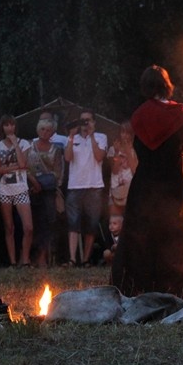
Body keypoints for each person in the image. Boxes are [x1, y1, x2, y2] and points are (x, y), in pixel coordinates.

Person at [111, 65, 183, 300]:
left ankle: (135, 287)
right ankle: (176, 288)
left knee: (139, 233)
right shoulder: (182, 116)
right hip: (171, 184)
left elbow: (138, 146)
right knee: (173, 234)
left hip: (145, 184)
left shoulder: (139, 114)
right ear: (166, 85)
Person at [64, 108, 107, 266]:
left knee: (92, 223)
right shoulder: (72, 138)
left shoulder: (101, 137)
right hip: (75, 186)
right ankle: (72, 259)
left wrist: (92, 135)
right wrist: (70, 136)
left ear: (94, 122)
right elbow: (67, 158)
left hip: (94, 186)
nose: (85, 123)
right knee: (73, 222)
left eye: (88, 120)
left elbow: (99, 156)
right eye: (82, 120)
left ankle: (86, 259)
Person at [0, 114, 33, 267]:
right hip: (4, 190)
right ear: (2, 127)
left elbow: (24, 164)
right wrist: (16, 167)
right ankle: (12, 261)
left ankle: (25, 259)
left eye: (12, 125)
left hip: (21, 188)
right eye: (6, 125)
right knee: (9, 227)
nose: (9, 128)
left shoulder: (23, 144)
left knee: (28, 227)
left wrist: (16, 144)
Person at [27, 117, 64, 267]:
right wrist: (34, 182)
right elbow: (25, 166)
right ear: (38, 130)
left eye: (48, 130)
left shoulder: (56, 149)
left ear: (53, 132)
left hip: (48, 191)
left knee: (48, 223)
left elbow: (59, 172)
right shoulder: (29, 146)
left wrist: (45, 182)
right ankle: (30, 257)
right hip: (31, 189)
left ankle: (44, 257)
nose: (45, 132)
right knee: (33, 223)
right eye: (42, 129)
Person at [108, 120, 138, 217]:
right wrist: (117, 153)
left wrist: (129, 152)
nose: (124, 135)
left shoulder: (136, 151)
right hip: (115, 191)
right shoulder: (113, 149)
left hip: (130, 192)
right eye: (122, 132)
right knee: (115, 222)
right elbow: (114, 171)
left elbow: (135, 171)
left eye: (127, 133)